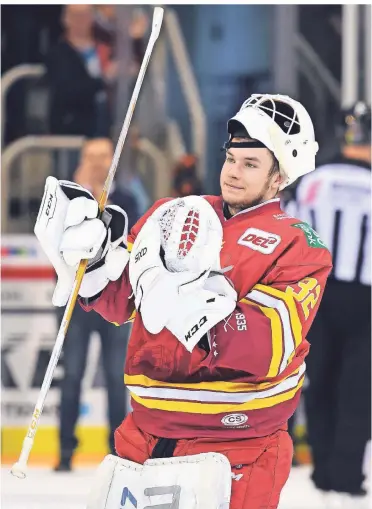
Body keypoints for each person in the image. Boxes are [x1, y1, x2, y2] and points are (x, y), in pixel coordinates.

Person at [35, 94, 332, 508]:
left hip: (237, 449)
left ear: (279, 177)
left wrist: (180, 305)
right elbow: (122, 301)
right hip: (146, 438)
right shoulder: (174, 214)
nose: (233, 173)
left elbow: (267, 344)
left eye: (251, 165)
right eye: (232, 159)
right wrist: (92, 263)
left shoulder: (299, 243)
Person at [290, 102, 371, 508]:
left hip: (316, 294)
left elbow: (289, 232)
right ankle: (347, 473)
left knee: (318, 381)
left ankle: (323, 468)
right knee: (358, 390)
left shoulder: (312, 181)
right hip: (367, 301)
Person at [54, 137, 139, 471]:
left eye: (104, 155)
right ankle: (64, 450)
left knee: (117, 375)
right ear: (82, 158)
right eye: (92, 156)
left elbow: (133, 238)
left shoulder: (128, 197)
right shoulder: (67, 199)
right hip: (75, 302)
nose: (99, 162)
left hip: (112, 300)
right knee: (72, 373)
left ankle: (116, 451)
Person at [45, 5, 116, 139]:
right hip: (72, 129)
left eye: (85, 15)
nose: (80, 21)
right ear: (65, 19)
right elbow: (68, 89)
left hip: (107, 124)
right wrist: (104, 79)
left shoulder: (105, 48)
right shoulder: (57, 53)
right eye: (76, 16)